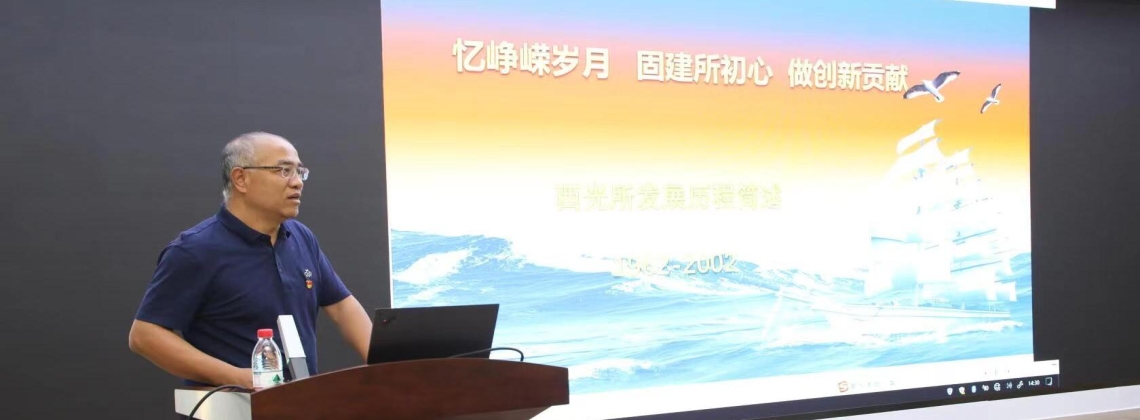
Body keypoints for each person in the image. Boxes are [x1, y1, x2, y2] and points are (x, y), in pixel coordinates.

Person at [128, 132, 372, 389]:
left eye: (300, 172)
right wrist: (236, 376)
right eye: (283, 170)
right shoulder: (195, 250)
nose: (297, 182)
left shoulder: (301, 237)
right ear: (241, 179)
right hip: (232, 403)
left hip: (299, 402)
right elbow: (145, 336)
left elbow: (342, 306)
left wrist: (385, 367)